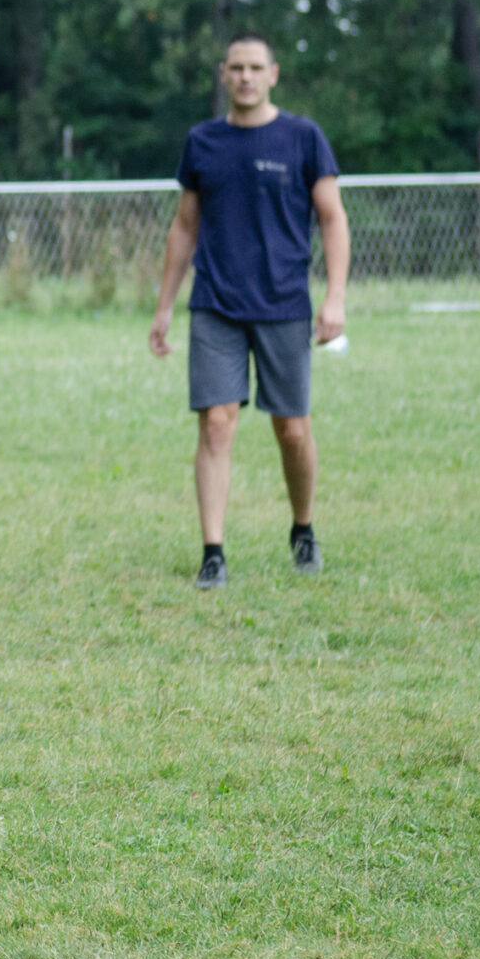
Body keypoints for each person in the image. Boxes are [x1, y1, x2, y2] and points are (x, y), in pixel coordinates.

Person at [148, 33, 351, 590]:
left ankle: (303, 529)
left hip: (285, 304)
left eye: (255, 67)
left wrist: (335, 297)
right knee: (216, 424)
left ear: (273, 74)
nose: (245, 77)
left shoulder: (303, 137)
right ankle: (213, 553)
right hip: (216, 304)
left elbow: (332, 218)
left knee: (292, 430)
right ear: (223, 74)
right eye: (236, 67)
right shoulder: (203, 141)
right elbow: (183, 226)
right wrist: (164, 308)